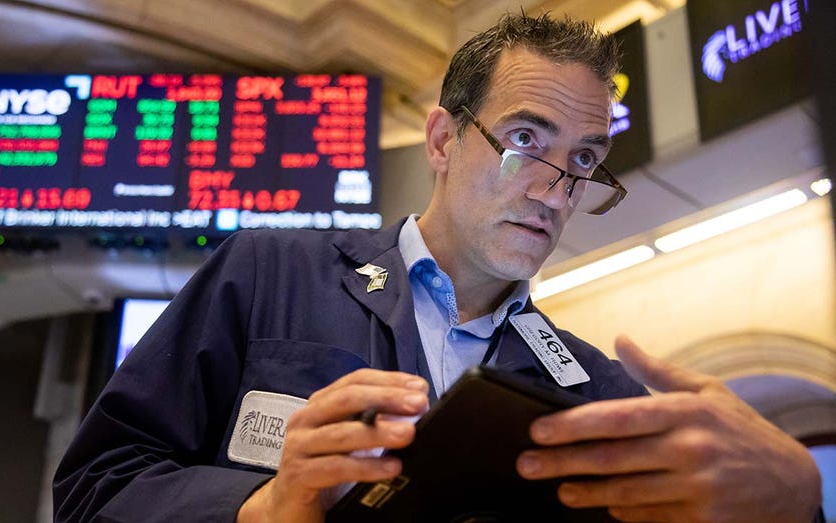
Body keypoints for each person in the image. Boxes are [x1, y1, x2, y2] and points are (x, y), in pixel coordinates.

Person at [53, 13, 824, 523]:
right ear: (442, 140)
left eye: (583, 158)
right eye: (526, 138)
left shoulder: (593, 390)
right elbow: (95, 485)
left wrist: (797, 504)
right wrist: (262, 505)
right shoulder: (269, 271)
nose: (553, 187)